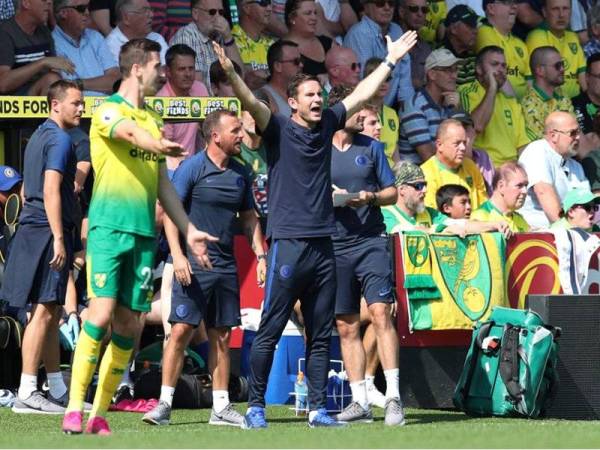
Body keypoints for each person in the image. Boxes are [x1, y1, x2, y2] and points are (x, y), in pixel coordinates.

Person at [212, 29, 418, 428]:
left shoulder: (327, 127)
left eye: (320, 93)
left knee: (321, 334)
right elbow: (251, 102)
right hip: (289, 243)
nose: (318, 98)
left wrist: (391, 61)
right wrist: (231, 74)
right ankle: (255, 405)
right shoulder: (277, 129)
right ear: (292, 103)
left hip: (326, 245)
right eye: (309, 94)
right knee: (271, 327)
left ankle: (319, 408)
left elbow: (359, 95)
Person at [61, 38, 218, 436]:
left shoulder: (153, 119)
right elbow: (130, 134)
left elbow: (163, 184)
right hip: (108, 229)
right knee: (100, 314)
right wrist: (157, 144)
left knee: (130, 327)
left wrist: (189, 229)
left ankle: (98, 414)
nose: (161, 74)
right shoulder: (108, 110)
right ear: (136, 69)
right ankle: (74, 408)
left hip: (144, 235)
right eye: (156, 67)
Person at [142, 109, 267, 428]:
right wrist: (178, 257)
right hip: (193, 266)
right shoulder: (192, 168)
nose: (242, 135)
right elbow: (170, 213)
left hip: (226, 268)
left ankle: (221, 408)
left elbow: (248, 217)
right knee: (180, 331)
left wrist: (261, 254)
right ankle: (164, 405)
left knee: (221, 336)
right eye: (235, 130)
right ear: (215, 136)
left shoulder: (241, 172)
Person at [3, 80, 83, 414]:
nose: (81, 108)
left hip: (33, 231)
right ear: (55, 105)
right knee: (44, 312)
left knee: (48, 310)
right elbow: (50, 191)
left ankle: (56, 388)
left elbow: (24, 193)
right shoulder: (61, 140)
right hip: (47, 234)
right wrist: (60, 239)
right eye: (76, 103)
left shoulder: (37, 136)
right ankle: (27, 391)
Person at [325, 86, 402, 426]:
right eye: (358, 110)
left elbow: (392, 193)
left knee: (381, 312)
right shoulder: (317, 147)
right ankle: (359, 402)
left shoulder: (371, 147)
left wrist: (369, 196)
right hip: (334, 244)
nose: (365, 117)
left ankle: (394, 398)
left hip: (370, 239)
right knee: (345, 325)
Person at [383, 161, 510, 235]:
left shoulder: (429, 213)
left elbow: (461, 224)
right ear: (402, 190)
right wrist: (442, 230)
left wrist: (493, 225)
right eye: (419, 186)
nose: (425, 190)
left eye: (425, 185)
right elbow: (405, 231)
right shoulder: (385, 213)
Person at [459, 46, 530, 166]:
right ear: (479, 69)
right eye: (494, 64)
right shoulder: (466, 92)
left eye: (503, 66)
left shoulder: (511, 102)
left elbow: (522, 146)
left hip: (511, 171)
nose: (500, 69)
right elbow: (477, 127)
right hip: (484, 167)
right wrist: (492, 88)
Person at [518, 111, 590, 229]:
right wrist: (569, 231)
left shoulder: (576, 167)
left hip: (567, 234)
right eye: (572, 133)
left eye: (578, 132)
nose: (578, 137)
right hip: (533, 236)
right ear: (553, 135)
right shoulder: (538, 150)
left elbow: (586, 204)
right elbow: (543, 191)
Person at [343, 0, 414, 108]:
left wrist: (408, 110)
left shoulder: (396, 30)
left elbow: (405, 79)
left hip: (390, 111)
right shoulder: (359, 34)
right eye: (380, 3)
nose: (387, 8)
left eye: (391, 3)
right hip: (364, 108)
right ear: (366, 7)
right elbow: (365, 79)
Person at [398, 48, 461, 164]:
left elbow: (461, 145)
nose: (454, 76)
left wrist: (455, 111)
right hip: (418, 176)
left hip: (443, 170)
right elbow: (428, 157)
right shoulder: (414, 106)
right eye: (448, 70)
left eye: (455, 70)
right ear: (432, 74)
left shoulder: (450, 102)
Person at [0, 0, 74, 95]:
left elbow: (55, 73)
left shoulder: (44, 31)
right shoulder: (4, 33)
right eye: (43, 0)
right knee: (51, 80)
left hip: (39, 98)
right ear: (26, 3)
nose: (49, 2)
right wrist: (42, 62)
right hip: (11, 104)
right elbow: (3, 84)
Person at [156, 44, 209, 171]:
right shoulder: (162, 102)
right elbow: (165, 152)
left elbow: (208, 130)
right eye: (181, 69)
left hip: (198, 166)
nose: (188, 74)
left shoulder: (200, 88)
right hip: (172, 170)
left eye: (191, 68)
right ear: (168, 72)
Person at [52, 0, 120, 96]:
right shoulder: (53, 43)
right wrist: (101, 82)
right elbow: (66, 88)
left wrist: (79, 83)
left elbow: (115, 80)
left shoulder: (95, 37)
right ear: (63, 13)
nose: (87, 13)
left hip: (108, 106)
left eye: (88, 7)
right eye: (81, 9)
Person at [169, 0, 244, 86]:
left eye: (221, 12)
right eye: (212, 12)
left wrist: (228, 38)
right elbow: (194, 86)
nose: (218, 17)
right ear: (195, 14)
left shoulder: (221, 35)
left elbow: (240, 77)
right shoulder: (185, 38)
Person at [421, 118, 488, 210]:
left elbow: (484, 205)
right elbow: (432, 215)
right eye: (457, 143)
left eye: (464, 142)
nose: (463, 147)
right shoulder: (426, 173)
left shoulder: (470, 166)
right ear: (439, 145)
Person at [525, 0, 586, 99]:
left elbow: (583, 77)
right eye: (555, 9)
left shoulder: (573, 37)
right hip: (551, 103)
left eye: (565, 9)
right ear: (544, 12)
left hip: (575, 103)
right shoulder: (537, 37)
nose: (561, 15)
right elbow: (535, 81)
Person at [476, 0, 531, 99]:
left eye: (515, 2)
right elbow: (496, 74)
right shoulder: (485, 32)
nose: (514, 6)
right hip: (500, 103)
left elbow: (529, 82)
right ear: (491, 8)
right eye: (507, 2)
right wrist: (517, 106)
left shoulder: (520, 43)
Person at [521, 46, 574, 140]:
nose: (562, 69)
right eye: (557, 66)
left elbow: (577, 134)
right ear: (540, 71)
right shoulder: (530, 104)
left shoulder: (562, 95)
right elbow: (544, 148)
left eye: (562, 64)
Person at [470, 161, 530, 232]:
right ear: (501, 186)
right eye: (519, 185)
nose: (525, 191)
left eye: (526, 185)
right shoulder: (480, 217)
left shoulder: (519, 219)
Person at [104, 0, 169, 64]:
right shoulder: (110, 46)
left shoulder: (156, 38)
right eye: (144, 11)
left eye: (150, 10)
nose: (151, 15)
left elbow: (166, 70)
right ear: (126, 18)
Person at [362, 58, 400, 167]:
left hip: (391, 173)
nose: (384, 83)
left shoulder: (392, 113)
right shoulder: (360, 112)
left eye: (387, 79)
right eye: (380, 79)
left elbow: (394, 150)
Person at [283, 0, 335, 79]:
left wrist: (328, 77)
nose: (314, 18)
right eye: (308, 13)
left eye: (315, 13)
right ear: (292, 18)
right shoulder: (282, 50)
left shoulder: (328, 43)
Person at [450, 111, 495, 196]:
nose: (462, 134)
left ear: (474, 133)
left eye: (466, 129)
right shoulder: (447, 163)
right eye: (457, 130)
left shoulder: (484, 157)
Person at [232, 0, 274, 89]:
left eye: (270, 3)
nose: (269, 9)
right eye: (263, 3)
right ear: (247, 8)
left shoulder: (271, 44)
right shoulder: (230, 42)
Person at [259, 40, 302, 116]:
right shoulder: (264, 97)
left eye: (301, 60)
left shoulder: (303, 92)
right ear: (278, 66)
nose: (301, 65)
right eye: (296, 61)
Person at [396, 0, 432, 89]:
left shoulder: (426, 49)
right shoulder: (390, 41)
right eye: (414, 9)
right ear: (401, 12)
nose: (420, 14)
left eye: (424, 10)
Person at [440, 5, 478, 86]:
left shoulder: (475, 56)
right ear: (453, 29)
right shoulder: (439, 58)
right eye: (470, 25)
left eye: (475, 25)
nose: (475, 30)